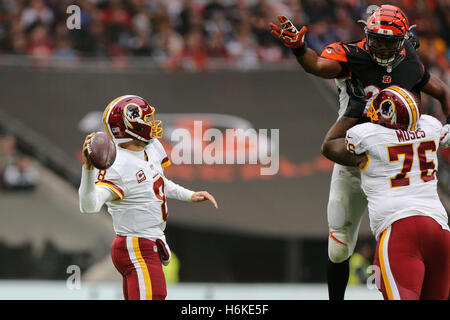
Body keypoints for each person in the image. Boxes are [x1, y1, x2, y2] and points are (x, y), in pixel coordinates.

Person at [269, 4, 450, 299]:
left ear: (403, 41)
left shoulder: (409, 62)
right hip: (357, 153)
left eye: (388, 40)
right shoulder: (352, 55)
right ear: (366, 32)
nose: (379, 46)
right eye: (376, 38)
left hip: (396, 160)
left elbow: (442, 90)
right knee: (340, 245)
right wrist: (300, 48)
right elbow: (317, 66)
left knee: (410, 224)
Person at [78, 95, 218, 300]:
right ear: (130, 125)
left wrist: (189, 195)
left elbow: (157, 181)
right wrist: (88, 171)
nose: (152, 123)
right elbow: (89, 206)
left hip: (146, 242)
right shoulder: (119, 165)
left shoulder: (151, 147)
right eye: (146, 119)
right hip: (136, 244)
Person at [322, 86, 450, 300]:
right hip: (440, 230)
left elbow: (328, 147)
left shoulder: (368, 136)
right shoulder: (430, 127)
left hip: (400, 231)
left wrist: (352, 113)